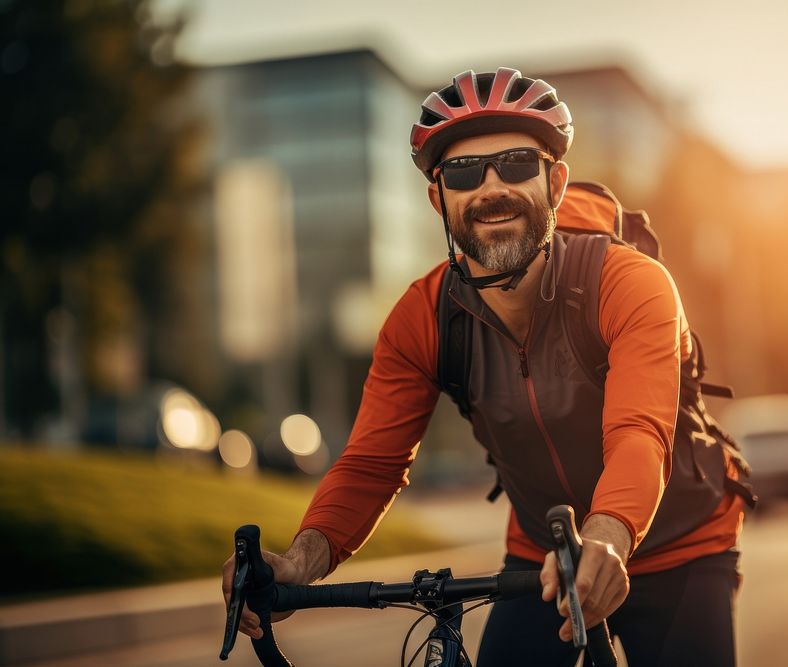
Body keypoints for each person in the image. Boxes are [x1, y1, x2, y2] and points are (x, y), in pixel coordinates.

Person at [223, 67, 747, 666]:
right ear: (437, 198)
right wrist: (296, 564)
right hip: (541, 553)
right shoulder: (421, 319)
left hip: (681, 544)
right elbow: (372, 463)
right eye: (465, 173)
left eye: (518, 164)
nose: (492, 188)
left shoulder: (628, 284)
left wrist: (605, 538)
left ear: (555, 182)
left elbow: (638, 434)